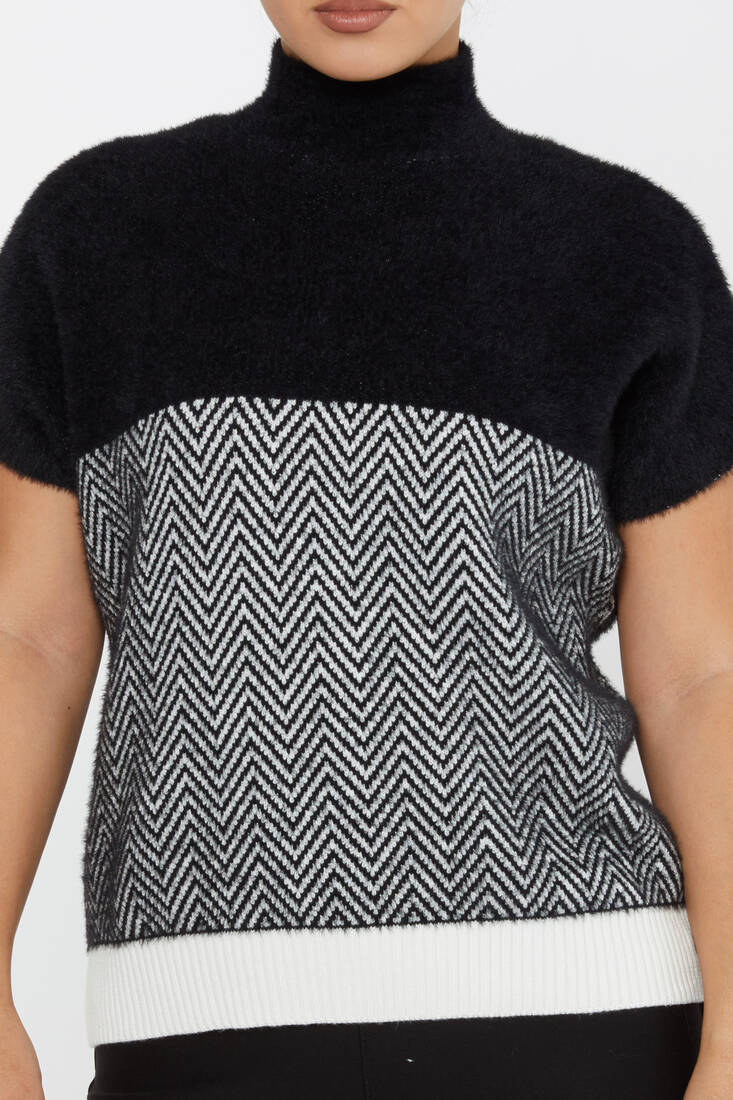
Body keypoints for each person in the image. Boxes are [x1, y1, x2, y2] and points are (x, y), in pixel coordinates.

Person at [1, 0, 732, 1097]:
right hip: (192, 1016)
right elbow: (28, 643)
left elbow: (699, 679)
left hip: (576, 1010)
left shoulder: (627, 251)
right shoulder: (93, 235)